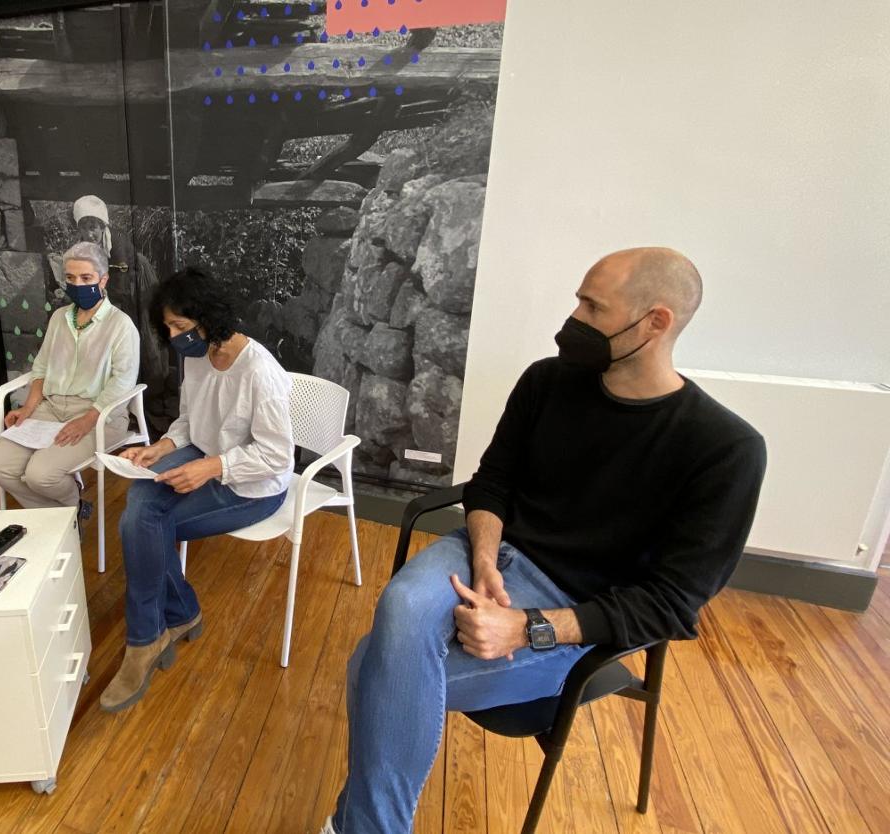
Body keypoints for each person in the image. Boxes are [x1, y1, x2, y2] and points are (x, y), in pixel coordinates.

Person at [319, 248, 767, 834]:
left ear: (656, 322)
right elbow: (492, 483)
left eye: (592, 305)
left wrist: (529, 626)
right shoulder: (548, 382)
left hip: (575, 614)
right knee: (400, 605)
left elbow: (671, 604)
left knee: (366, 665)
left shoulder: (724, 449)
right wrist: (483, 559)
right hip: (494, 555)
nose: (573, 318)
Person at [99, 265, 295, 712]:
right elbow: (191, 419)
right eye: (167, 326)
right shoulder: (198, 355)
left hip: (254, 484)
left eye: (180, 326)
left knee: (149, 520)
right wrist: (162, 446)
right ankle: (176, 614)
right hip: (207, 455)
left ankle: (147, 639)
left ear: (209, 318)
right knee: (140, 503)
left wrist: (212, 467)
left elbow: (278, 457)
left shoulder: (259, 374)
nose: (172, 337)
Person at [0, 242, 140, 512]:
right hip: (50, 408)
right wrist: (28, 408)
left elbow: (123, 382)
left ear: (104, 280)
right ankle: (70, 510)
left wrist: (88, 420)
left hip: (100, 416)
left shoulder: (121, 325)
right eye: (70, 278)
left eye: (86, 278)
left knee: (41, 475)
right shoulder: (58, 318)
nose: (77, 285)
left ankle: (65, 515)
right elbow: (41, 368)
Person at [72, 194, 173, 434]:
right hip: (112, 303)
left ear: (103, 226)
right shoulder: (82, 249)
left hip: (137, 295)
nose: (90, 233)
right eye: (85, 227)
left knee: (146, 352)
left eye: (94, 226)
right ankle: (119, 411)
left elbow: (121, 289)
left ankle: (150, 414)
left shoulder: (119, 248)